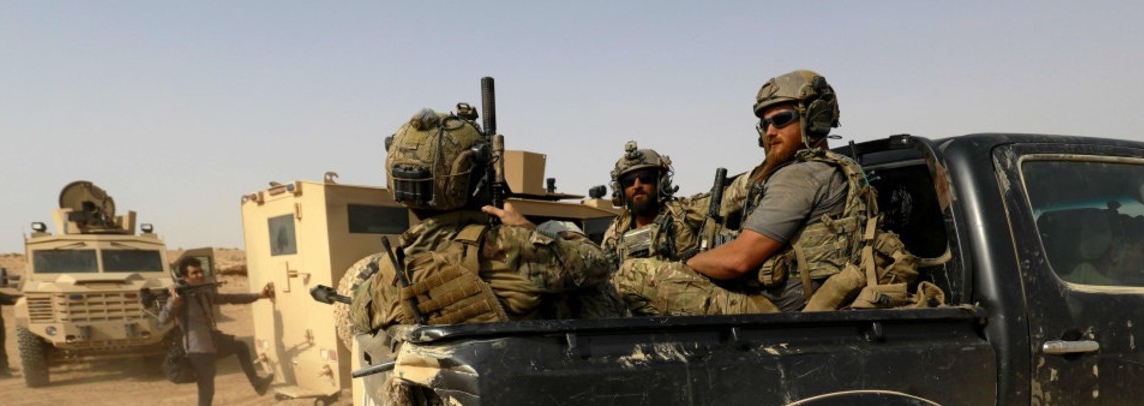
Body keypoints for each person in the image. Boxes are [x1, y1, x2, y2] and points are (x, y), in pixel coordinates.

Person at [614, 69, 873, 315]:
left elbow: (739, 260)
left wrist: (686, 265)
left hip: (769, 309)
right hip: (800, 300)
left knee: (631, 274)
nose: (770, 131)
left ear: (816, 118)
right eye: (764, 123)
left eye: (781, 119)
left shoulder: (798, 176)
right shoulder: (836, 168)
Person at [349, 104, 618, 334]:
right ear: (469, 179)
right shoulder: (507, 244)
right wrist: (533, 229)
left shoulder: (390, 273)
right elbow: (596, 264)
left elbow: (358, 314)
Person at [158, 257, 274, 406]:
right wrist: (174, 301)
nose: (199, 275)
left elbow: (230, 299)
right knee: (207, 392)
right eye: (194, 273)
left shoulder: (204, 293)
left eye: (200, 271)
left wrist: (259, 296)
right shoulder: (181, 297)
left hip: (212, 343)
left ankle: (257, 384)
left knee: (241, 347)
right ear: (185, 277)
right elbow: (162, 319)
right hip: (198, 351)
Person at [600, 141, 700, 267]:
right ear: (621, 191)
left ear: (660, 183)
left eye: (645, 178)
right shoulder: (614, 234)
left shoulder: (683, 214)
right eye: (629, 181)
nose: (637, 186)